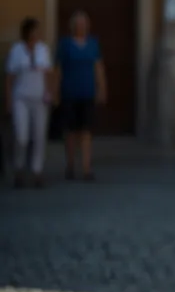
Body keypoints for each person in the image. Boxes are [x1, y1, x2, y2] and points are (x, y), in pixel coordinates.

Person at [54, 11, 106, 181]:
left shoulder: (93, 44)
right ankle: (70, 166)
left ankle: (86, 168)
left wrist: (102, 88)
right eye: (79, 23)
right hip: (69, 92)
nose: (82, 26)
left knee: (86, 132)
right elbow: (58, 69)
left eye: (84, 23)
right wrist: (55, 91)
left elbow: (98, 67)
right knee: (69, 132)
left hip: (87, 92)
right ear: (73, 26)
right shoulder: (65, 44)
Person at [6, 17, 53, 187]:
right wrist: (8, 100)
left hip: (39, 98)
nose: (37, 34)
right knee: (21, 136)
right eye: (34, 30)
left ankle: (37, 170)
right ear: (27, 32)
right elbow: (10, 77)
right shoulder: (17, 50)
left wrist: (50, 92)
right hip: (21, 98)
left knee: (39, 136)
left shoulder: (43, 49)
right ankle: (18, 168)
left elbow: (48, 73)